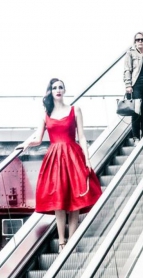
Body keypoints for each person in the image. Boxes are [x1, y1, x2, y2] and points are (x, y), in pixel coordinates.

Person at [18, 78, 102, 251]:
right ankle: (62, 242)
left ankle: (72, 239)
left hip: (73, 155)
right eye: (54, 87)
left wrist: (88, 158)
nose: (58, 90)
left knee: (75, 198)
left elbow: (83, 137)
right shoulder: (45, 113)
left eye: (60, 87)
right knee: (59, 199)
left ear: (64, 90)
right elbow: (39, 139)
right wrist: (26, 144)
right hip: (55, 158)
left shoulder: (75, 109)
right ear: (51, 91)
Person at [123, 32, 143, 145]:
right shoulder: (131, 54)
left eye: (142, 39)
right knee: (136, 113)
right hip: (136, 86)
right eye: (137, 40)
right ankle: (136, 137)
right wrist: (128, 85)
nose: (140, 41)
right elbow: (127, 70)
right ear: (135, 42)